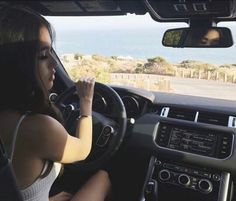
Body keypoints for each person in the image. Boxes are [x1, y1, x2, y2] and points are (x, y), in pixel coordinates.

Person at [0, 5, 111, 201]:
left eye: (51, 52)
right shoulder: (37, 127)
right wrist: (86, 103)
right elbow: (83, 150)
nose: (54, 63)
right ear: (14, 64)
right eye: (43, 56)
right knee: (103, 178)